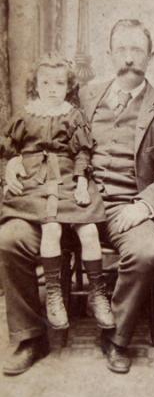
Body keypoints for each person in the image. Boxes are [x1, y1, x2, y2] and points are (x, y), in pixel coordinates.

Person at [1, 19, 154, 375]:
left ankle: (115, 335)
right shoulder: (83, 96)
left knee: (146, 252)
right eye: (121, 49)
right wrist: (10, 165)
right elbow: (37, 135)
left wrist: (144, 206)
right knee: (10, 239)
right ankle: (29, 337)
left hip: (124, 207)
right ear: (109, 53)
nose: (129, 58)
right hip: (66, 200)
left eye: (137, 50)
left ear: (151, 55)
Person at [1, 54, 113, 337]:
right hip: (35, 183)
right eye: (46, 82)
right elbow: (7, 148)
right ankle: (53, 294)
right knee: (50, 227)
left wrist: (80, 182)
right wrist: (10, 168)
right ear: (36, 85)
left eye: (59, 83)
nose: (52, 88)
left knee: (88, 230)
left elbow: (82, 152)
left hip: (66, 179)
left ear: (69, 86)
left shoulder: (73, 115)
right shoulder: (26, 115)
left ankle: (97, 293)